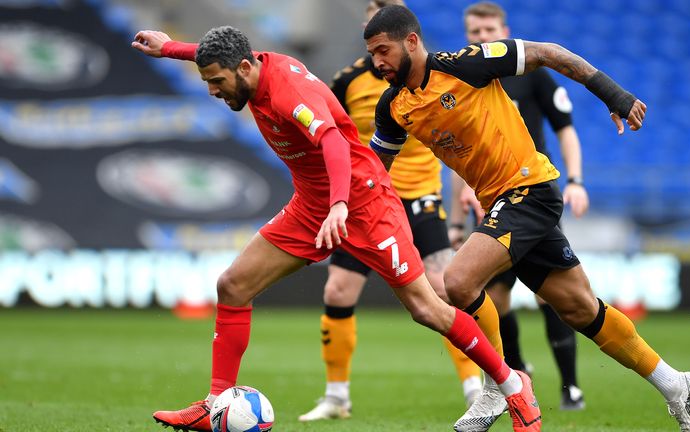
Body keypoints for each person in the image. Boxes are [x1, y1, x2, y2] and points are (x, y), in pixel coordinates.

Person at [132, 25, 538, 432]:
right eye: (208, 82)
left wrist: (340, 204)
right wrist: (169, 48)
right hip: (311, 207)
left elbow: (334, 144)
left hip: (363, 203)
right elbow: (220, 56)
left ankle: (511, 384)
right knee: (233, 286)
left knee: (426, 308)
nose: (214, 91)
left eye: (217, 82)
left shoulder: (290, 91)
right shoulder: (247, 67)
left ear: (243, 67)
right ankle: (216, 401)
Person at [364, 5, 690, 432]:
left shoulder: (466, 65)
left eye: (383, 50)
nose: (376, 62)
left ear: (411, 41)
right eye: (372, 53)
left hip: (530, 190)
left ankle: (496, 387)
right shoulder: (394, 106)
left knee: (458, 280)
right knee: (581, 309)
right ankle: (676, 385)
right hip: (501, 203)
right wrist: (350, 207)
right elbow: (376, 170)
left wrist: (613, 94)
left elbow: (548, 52)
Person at [299, 0, 482, 422]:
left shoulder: (434, 77)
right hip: (368, 200)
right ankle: (336, 397)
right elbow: (330, 137)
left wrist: (466, 188)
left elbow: (460, 135)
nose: (378, 49)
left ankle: (475, 388)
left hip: (420, 198)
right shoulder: (346, 81)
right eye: (371, 27)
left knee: (445, 288)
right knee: (337, 292)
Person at [448, 1, 590, 411]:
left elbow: (566, 129)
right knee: (495, 296)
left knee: (552, 295)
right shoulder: (462, 80)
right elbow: (458, 153)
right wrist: (456, 222)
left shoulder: (531, 75)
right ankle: (515, 372)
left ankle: (570, 386)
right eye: (473, 32)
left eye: (488, 29)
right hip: (487, 199)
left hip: (531, 194)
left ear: (504, 29)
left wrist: (577, 179)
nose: (481, 38)